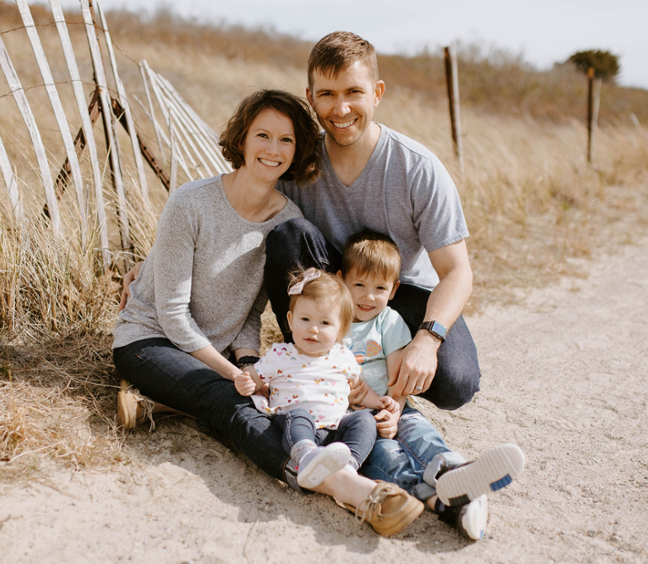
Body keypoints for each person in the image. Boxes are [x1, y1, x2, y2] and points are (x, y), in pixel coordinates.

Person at [113, 89, 422, 536]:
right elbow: (173, 315)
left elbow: (249, 312)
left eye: (286, 140)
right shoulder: (191, 202)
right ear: (242, 139)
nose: (273, 150)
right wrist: (233, 375)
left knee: (252, 395)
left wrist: (249, 362)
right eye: (263, 135)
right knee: (233, 400)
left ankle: (164, 405)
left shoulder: (285, 221)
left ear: (298, 152)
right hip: (150, 340)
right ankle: (353, 490)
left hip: (213, 350)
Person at [265, 31, 481, 414]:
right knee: (288, 236)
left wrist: (426, 343)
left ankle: (384, 379)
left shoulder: (417, 168)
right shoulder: (296, 162)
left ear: (377, 93)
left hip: (399, 293)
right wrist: (155, 266)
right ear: (311, 96)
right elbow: (240, 217)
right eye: (327, 94)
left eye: (354, 92)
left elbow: (457, 271)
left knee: (456, 385)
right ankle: (308, 370)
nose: (341, 108)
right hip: (330, 288)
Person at [338, 230, 526, 540]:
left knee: (420, 435)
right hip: (357, 421)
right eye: (358, 285)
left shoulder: (388, 321)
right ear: (341, 279)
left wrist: (394, 408)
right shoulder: (335, 322)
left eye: (379, 288)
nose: (368, 297)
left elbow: (397, 374)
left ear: (394, 289)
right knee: (386, 459)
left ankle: (452, 468)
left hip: (394, 405)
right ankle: (454, 503)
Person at [234, 269, 406, 495]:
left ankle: (348, 466)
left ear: (340, 329)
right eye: (305, 319)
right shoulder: (281, 355)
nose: (313, 329)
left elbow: (360, 392)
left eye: (325, 323)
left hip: (336, 428)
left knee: (364, 419)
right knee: (298, 415)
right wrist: (245, 383)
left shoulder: (343, 356)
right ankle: (306, 457)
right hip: (298, 426)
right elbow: (253, 379)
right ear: (290, 320)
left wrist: (381, 403)